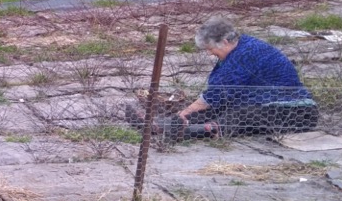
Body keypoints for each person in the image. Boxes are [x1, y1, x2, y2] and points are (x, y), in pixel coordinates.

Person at [128, 17, 318, 140]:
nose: (210, 53)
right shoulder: (239, 49)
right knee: (223, 108)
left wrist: (184, 112)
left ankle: (183, 130)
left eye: (211, 48)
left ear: (225, 41)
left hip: (294, 110)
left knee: (239, 116)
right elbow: (218, 94)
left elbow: (215, 94)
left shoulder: (246, 54)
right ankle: (165, 125)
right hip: (260, 102)